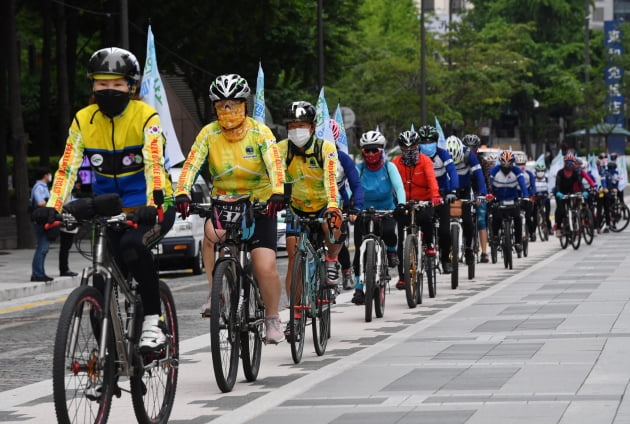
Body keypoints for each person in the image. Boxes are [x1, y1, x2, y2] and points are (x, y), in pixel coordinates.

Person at [32, 47, 176, 352]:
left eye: (117, 84)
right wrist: (53, 207)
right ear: (92, 85)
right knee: (99, 284)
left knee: (132, 247)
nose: (108, 90)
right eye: (101, 83)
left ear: (131, 87)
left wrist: (152, 203)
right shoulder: (84, 120)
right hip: (107, 208)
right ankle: (108, 364)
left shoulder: (146, 116)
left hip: (150, 206)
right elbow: (68, 166)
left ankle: (153, 320)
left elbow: (154, 162)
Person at [175, 74, 286, 344]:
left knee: (264, 266)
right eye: (221, 105)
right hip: (224, 204)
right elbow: (191, 164)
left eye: (233, 104)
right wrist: (181, 191)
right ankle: (217, 294)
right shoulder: (208, 134)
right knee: (210, 237)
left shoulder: (261, 133)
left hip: (259, 206)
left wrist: (278, 192)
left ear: (245, 105)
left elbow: (274, 164)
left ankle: (272, 317)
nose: (227, 110)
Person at [276, 101, 342, 339]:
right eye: (292, 126)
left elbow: (331, 178)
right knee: (294, 258)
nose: (296, 131)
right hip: (296, 207)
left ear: (312, 127)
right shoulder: (282, 149)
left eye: (301, 125)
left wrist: (332, 205)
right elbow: (275, 176)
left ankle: (332, 260)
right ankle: (294, 316)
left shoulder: (326, 148)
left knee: (334, 225)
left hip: (324, 204)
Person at [351, 130, 405, 305]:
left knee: (389, 231)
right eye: (367, 150)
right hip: (364, 211)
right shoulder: (358, 169)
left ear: (382, 150)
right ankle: (359, 288)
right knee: (359, 248)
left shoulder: (389, 167)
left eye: (375, 150)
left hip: (386, 210)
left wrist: (401, 204)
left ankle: (391, 251)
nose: (371, 154)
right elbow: (349, 189)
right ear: (362, 152)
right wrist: (347, 207)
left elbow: (399, 187)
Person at [391, 130, 441, 290]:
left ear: (417, 146)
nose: (409, 151)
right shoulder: (396, 162)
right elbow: (393, 184)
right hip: (403, 203)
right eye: (405, 148)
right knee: (401, 241)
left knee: (427, 219)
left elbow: (432, 180)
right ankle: (402, 277)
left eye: (412, 147)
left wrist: (434, 196)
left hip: (423, 201)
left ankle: (430, 244)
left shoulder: (425, 161)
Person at [417, 125, 459, 273]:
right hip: (424, 196)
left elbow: (452, 172)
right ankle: (422, 247)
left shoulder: (443, 155)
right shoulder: (417, 156)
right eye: (423, 141)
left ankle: (445, 259)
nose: (427, 144)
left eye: (430, 141)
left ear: (436, 141)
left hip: (442, 195)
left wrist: (452, 191)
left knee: (445, 232)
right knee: (421, 222)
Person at [329, 119, 364, 290]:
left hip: (339, 201)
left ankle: (346, 270)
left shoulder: (343, 159)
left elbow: (356, 185)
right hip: (315, 201)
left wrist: (356, 207)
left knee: (338, 236)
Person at [445, 135, 488, 264]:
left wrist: (481, 193)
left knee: (468, 222)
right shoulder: (442, 155)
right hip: (448, 191)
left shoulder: (469, 155)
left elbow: (479, 175)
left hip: (464, 190)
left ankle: (469, 248)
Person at [488, 151, 530, 252]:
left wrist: (526, 197)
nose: (506, 167)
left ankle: (518, 242)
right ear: (500, 163)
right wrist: (488, 195)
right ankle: (495, 237)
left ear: (513, 163)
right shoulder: (494, 171)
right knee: (496, 217)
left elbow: (523, 185)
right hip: (499, 198)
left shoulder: (517, 171)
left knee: (517, 218)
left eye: (509, 164)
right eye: (504, 164)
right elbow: (489, 183)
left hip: (512, 199)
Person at [462, 134, 490, 262]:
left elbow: (485, 180)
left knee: (481, 219)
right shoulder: (460, 159)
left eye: (473, 148)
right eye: (468, 148)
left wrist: (485, 194)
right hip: (465, 191)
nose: (470, 151)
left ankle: (484, 252)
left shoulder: (482, 161)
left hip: (478, 191)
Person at [552, 153, 595, 236]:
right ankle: (558, 228)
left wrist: (584, 191)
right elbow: (557, 185)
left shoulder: (575, 172)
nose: (569, 164)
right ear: (564, 163)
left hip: (570, 191)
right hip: (560, 192)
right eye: (567, 162)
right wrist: (558, 192)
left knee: (573, 208)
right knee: (561, 210)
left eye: (571, 162)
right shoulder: (560, 173)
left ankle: (575, 222)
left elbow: (580, 183)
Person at [30, 166, 54, 282]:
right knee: (42, 248)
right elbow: (40, 202)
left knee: (43, 248)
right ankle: (37, 274)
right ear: (45, 175)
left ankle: (40, 272)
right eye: (49, 174)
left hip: (43, 220)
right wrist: (52, 202)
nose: (50, 177)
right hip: (41, 221)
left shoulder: (42, 187)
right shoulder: (39, 187)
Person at [58, 181, 81, 277]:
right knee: (65, 248)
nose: (78, 187)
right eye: (77, 184)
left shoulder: (71, 195)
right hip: (67, 225)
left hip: (71, 225)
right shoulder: (66, 195)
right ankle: (64, 269)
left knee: (66, 248)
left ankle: (65, 268)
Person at [515, 152, 537, 241]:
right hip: (517, 197)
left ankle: (532, 233)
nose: (520, 166)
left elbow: (533, 186)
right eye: (518, 164)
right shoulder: (513, 174)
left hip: (527, 198)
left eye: (522, 164)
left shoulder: (529, 174)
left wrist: (532, 195)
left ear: (525, 164)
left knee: (528, 217)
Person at [533, 162, 552, 233]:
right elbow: (531, 188)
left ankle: (549, 229)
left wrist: (549, 194)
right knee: (535, 216)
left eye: (542, 171)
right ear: (536, 171)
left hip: (545, 198)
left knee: (547, 216)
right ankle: (533, 231)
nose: (540, 172)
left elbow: (550, 188)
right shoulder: (533, 179)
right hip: (536, 198)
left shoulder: (547, 178)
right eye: (538, 171)